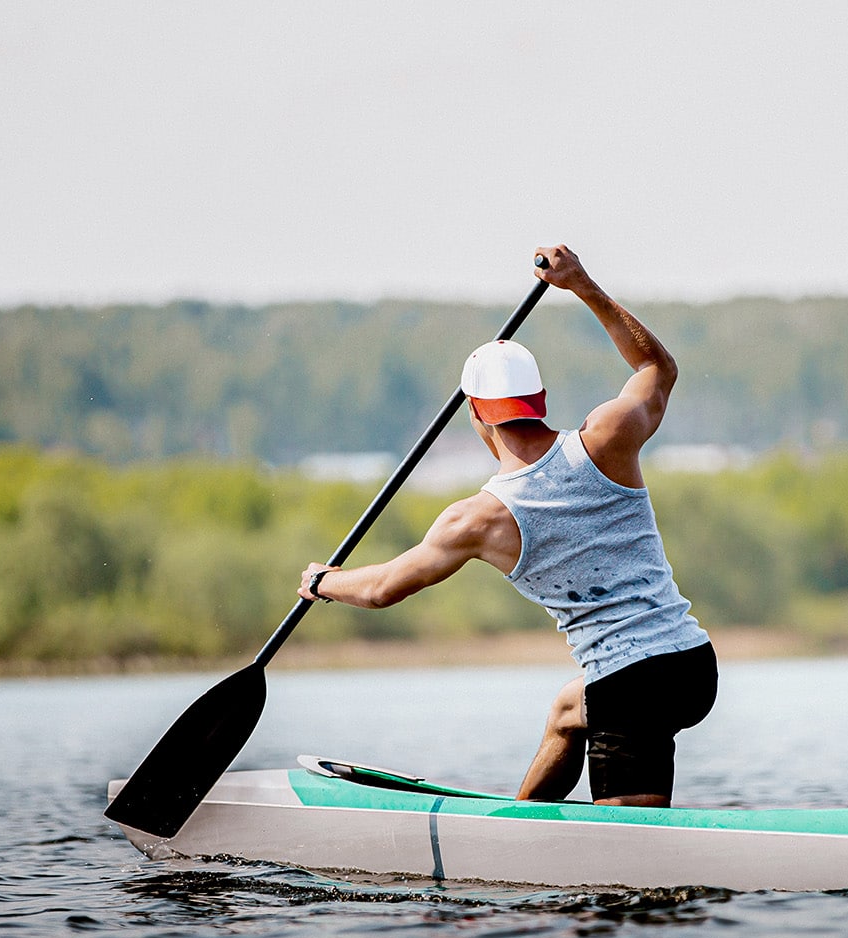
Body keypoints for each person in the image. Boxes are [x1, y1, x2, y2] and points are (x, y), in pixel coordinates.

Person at [298, 245, 715, 808]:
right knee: (570, 713)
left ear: (475, 414)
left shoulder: (478, 518)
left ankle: (588, 859)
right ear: (539, 400)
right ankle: (519, 821)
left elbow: (378, 589)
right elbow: (656, 369)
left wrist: (322, 581)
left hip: (631, 686)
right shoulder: (609, 436)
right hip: (692, 665)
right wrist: (583, 285)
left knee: (629, 880)